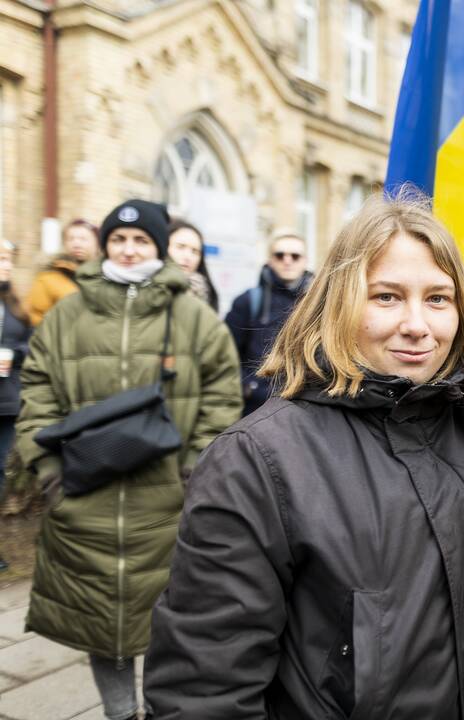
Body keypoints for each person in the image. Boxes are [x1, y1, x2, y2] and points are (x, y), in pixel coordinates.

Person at [142, 78, 464, 718]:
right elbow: (203, 693)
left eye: (437, 298)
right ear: (338, 302)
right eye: (386, 297)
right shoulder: (256, 464)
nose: (417, 324)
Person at [16, 199, 243, 720]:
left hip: (170, 504)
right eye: (119, 239)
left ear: (159, 247)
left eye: (141, 241)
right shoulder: (68, 313)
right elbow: (37, 393)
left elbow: (222, 397)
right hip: (83, 500)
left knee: (175, 624)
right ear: (104, 245)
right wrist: (50, 476)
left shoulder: (193, 316)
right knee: (106, 630)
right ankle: (121, 714)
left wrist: (196, 472)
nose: (129, 249)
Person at [225, 230, 314, 415]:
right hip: (255, 407)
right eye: (280, 255)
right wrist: (248, 386)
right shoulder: (248, 301)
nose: (287, 260)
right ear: (270, 260)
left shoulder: (319, 304)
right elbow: (226, 354)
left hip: (304, 406)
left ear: (305, 261)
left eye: (295, 256)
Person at [0, 238, 32, 573]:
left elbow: (28, 341)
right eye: (1, 259)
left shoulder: (13, 305)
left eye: (8, 259)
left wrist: (15, 353)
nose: (6, 265)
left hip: (6, 402)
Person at [26, 218, 99, 325]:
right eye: (71, 239)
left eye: (83, 239)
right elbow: (36, 317)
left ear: (98, 244)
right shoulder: (47, 278)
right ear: (64, 243)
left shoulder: (109, 277)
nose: (76, 243)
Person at [167, 219, 219, 311]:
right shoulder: (144, 289)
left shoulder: (206, 297)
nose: (188, 256)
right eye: (180, 247)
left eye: (195, 251)